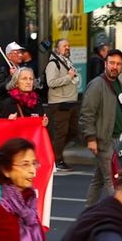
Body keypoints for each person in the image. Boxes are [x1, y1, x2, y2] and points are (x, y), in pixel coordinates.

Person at [80, 48, 122, 207]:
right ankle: (119, 214)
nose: (115, 67)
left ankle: (88, 212)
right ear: (105, 64)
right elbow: (87, 114)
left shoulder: (116, 83)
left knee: (99, 179)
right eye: (112, 63)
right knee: (112, 179)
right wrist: (91, 138)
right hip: (103, 139)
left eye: (118, 64)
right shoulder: (96, 85)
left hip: (116, 138)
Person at [46, 39, 80, 172]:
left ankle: (54, 151)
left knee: (73, 131)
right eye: (64, 46)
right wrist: (68, 77)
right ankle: (57, 160)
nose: (67, 47)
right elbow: (51, 82)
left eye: (68, 45)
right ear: (57, 49)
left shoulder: (67, 62)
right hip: (59, 103)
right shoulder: (53, 64)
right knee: (61, 133)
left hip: (71, 102)